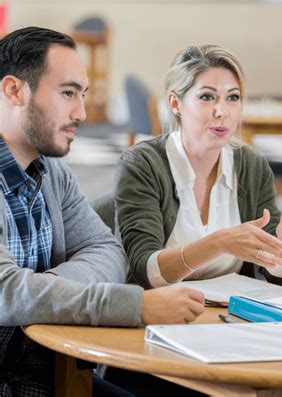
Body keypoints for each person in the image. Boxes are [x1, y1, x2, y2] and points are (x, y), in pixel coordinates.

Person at [0, 27, 205, 396]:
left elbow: (107, 249)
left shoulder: (53, 174)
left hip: (55, 374)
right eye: (67, 93)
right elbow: (5, 293)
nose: (80, 112)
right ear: (14, 91)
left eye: (83, 95)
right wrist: (134, 306)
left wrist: (44, 290)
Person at [114, 45, 282, 289]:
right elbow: (144, 269)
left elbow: (276, 276)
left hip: (227, 313)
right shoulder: (142, 164)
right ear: (175, 104)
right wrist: (218, 243)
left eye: (233, 97)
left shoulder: (252, 166)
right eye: (207, 97)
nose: (222, 112)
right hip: (161, 312)